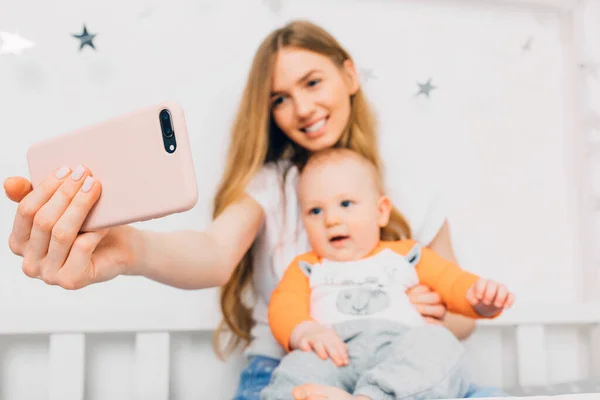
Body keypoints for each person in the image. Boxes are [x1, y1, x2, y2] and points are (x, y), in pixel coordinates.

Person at [3, 20, 509, 400]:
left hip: (399, 362)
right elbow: (214, 252)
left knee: (442, 360)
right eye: (280, 99)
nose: (302, 109)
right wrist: (132, 247)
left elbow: (462, 312)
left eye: (312, 83)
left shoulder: (413, 186)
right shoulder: (271, 183)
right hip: (299, 364)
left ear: (349, 74)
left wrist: (441, 310)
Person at [261, 148, 514, 400]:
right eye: (315, 211)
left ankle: (374, 397)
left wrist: (477, 296)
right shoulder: (307, 267)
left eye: (346, 204)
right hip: (332, 354)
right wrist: (305, 331)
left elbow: (450, 280)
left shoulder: (405, 255)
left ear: (381, 211)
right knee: (295, 371)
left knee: (438, 343)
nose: (332, 220)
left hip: (399, 349)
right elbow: (284, 305)